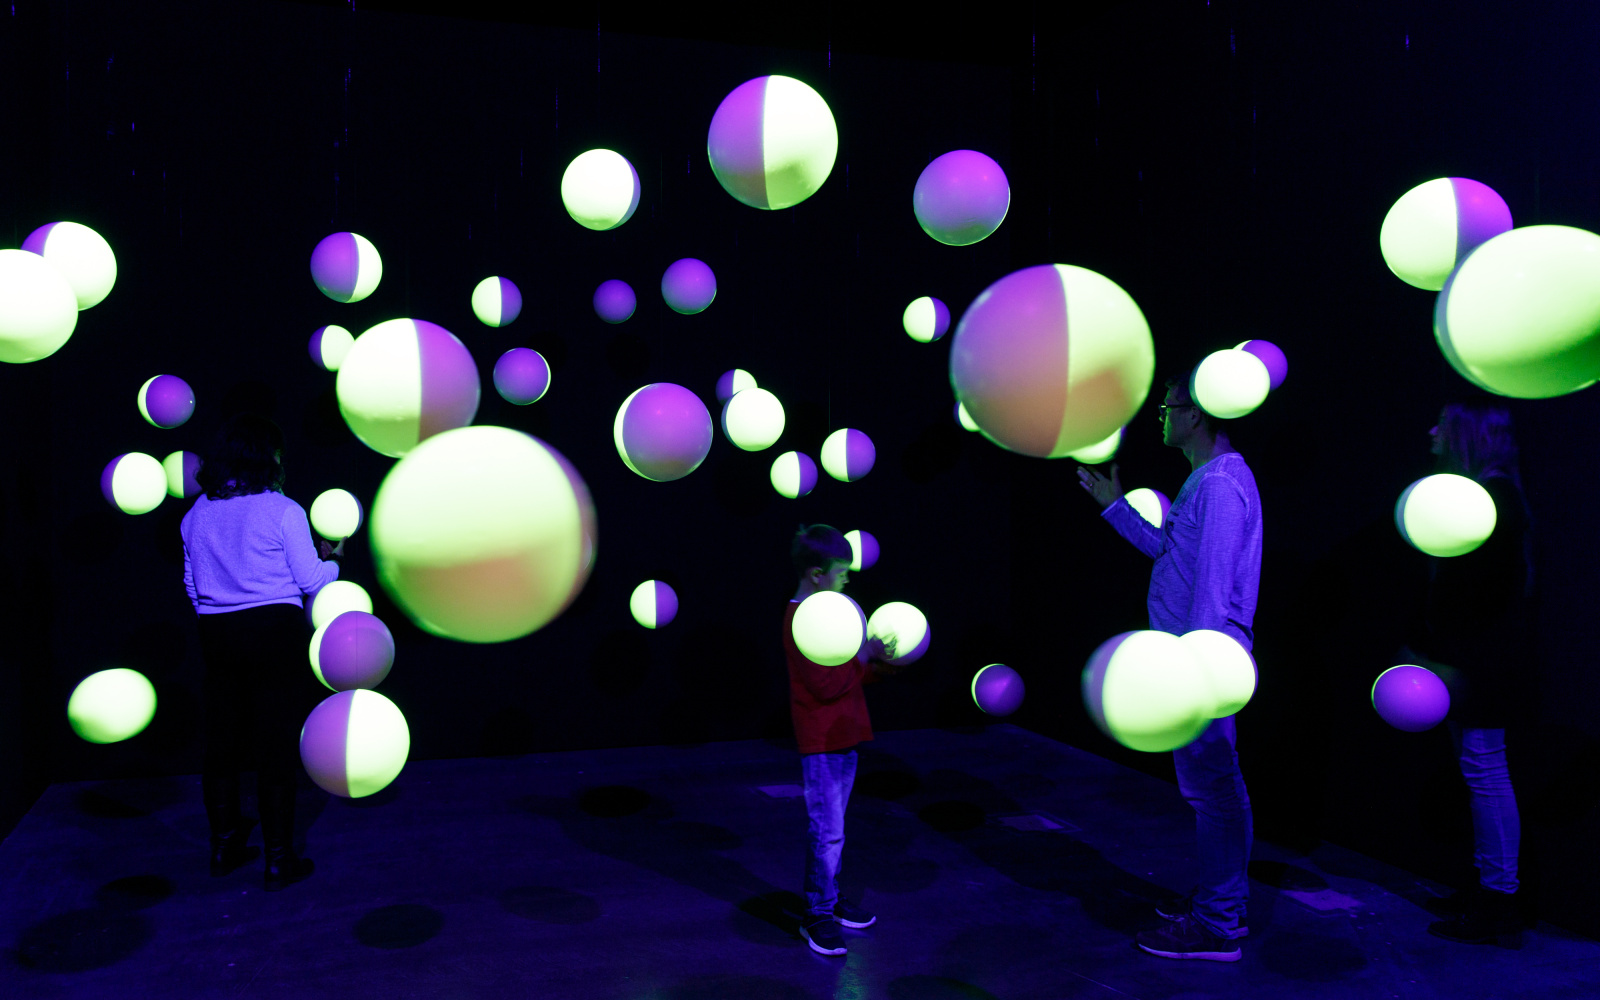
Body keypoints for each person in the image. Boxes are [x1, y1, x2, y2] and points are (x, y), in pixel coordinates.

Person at [1078, 374, 1262, 962]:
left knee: (1215, 789)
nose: (1161, 415)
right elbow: (1172, 554)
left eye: (1169, 407)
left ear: (1198, 415)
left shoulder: (1221, 485)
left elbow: (1211, 590)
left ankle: (1219, 922)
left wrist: (1192, 671)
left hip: (1202, 667)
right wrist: (1114, 509)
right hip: (1196, 661)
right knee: (1211, 789)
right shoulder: (1205, 481)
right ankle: (1219, 902)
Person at [181, 414, 342, 891]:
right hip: (274, 633)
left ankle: (223, 847)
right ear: (266, 457)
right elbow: (313, 581)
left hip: (218, 635)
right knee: (274, 744)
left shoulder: (197, 514)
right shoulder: (283, 510)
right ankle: (278, 859)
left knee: (223, 743)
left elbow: (193, 587)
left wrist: (223, 608)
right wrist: (333, 558)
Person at [1413, 399, 1533, 943]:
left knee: (1485, 771)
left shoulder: (1497, 498)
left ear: (1467, 435)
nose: (1432, 429)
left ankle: (1500, 904)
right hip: (1474, 657)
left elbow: (1484, 593)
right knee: (1477, 770)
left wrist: (1448, 656)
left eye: (1443, 423)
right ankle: (1490, 890)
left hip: (1484, 660)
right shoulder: (1483, 495)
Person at [784, 524, 898, 956]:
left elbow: (851, 675)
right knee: (827, 830)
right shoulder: (799, 619)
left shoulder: (831, 615)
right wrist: (863, 656)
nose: (847, 578)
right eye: (840, 571)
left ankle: (828, 899)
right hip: (821, 742)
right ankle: (817, 913)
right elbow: (825, 685)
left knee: (836, 828)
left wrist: (880, 661)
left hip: (844, 735)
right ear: (816, 574)